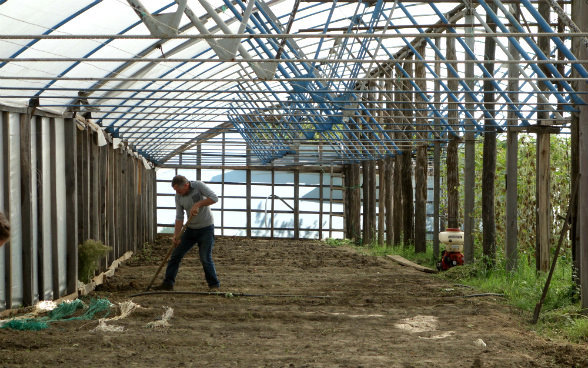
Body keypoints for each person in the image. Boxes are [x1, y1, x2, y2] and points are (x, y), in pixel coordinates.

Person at [154, 175, 220, 291]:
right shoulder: (178, 197)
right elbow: (179, 217)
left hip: (206, 228)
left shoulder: (198, 186)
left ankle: (214, 285)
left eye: (179, 190)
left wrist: (198, 204)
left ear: (186, 185)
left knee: (205, 257)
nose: (178, 193)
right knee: (175, 255)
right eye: (175, 191)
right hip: (190, 230)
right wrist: (176, 235)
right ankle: (168, 284)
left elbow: (214, 198)